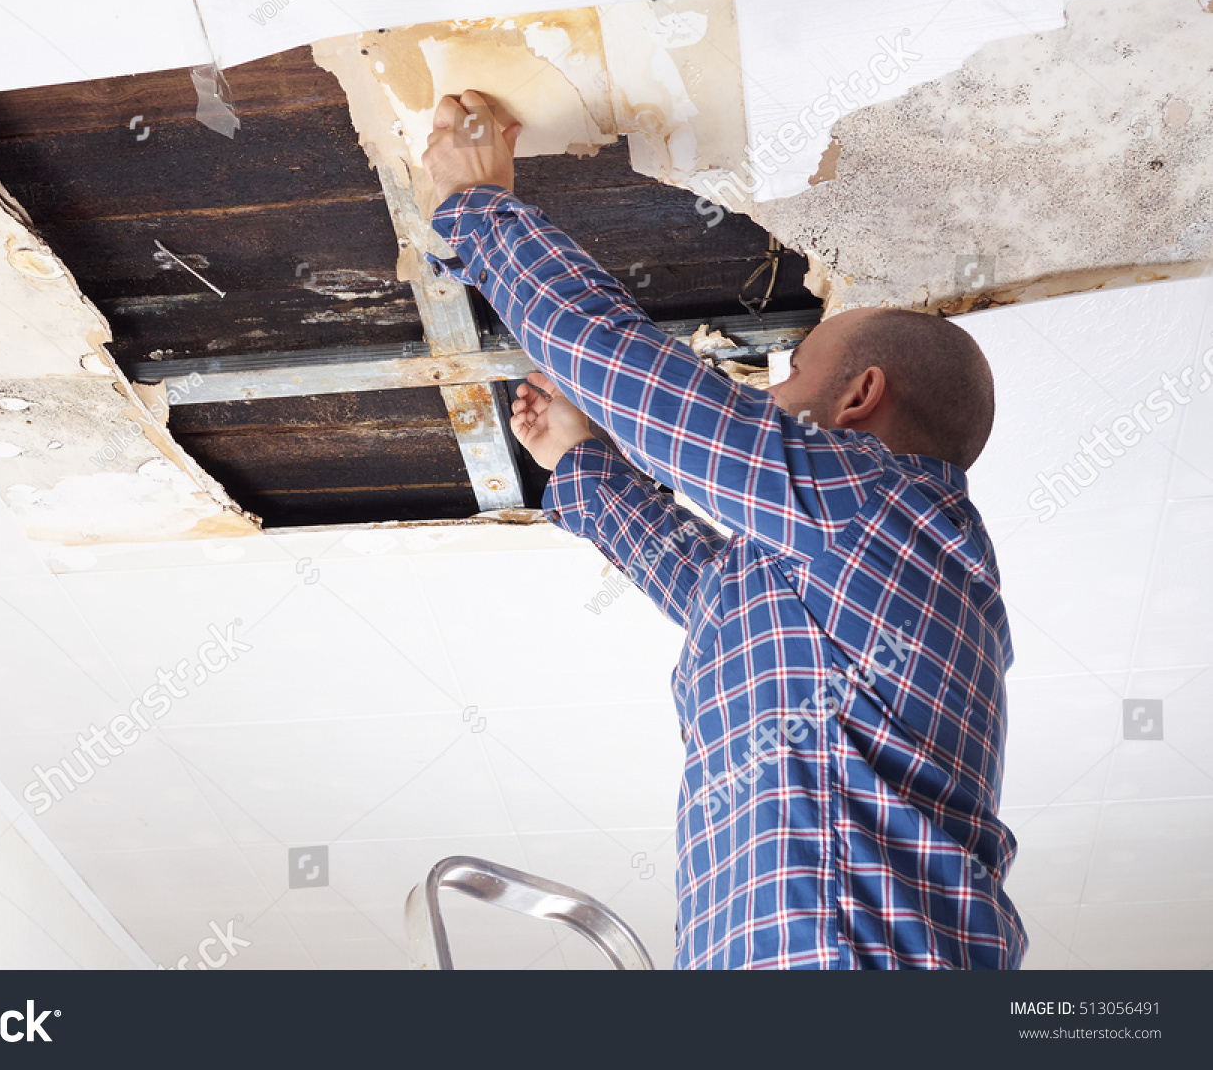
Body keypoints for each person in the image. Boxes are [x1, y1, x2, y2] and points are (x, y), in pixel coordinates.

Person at [421, 90, 1026, 970]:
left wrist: (479, 208)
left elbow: (647, 396)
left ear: (857, 397)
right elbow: (716, 576)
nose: (764, 399)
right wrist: (480, 215)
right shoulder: (879, 530)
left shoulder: (877, 511)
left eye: (786, 376)